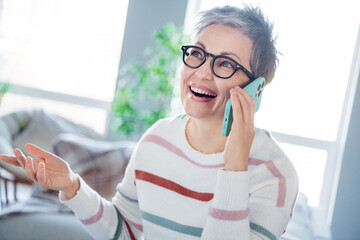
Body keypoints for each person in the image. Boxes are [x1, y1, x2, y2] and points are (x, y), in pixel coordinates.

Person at [0, 5, 298, 240]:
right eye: (198, 53)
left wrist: (234, 167)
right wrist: (73, 186)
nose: (202, 72)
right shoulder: (157, 139)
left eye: (225, 63)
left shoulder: (276, 175)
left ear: (255, 88)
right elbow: (124, 231)